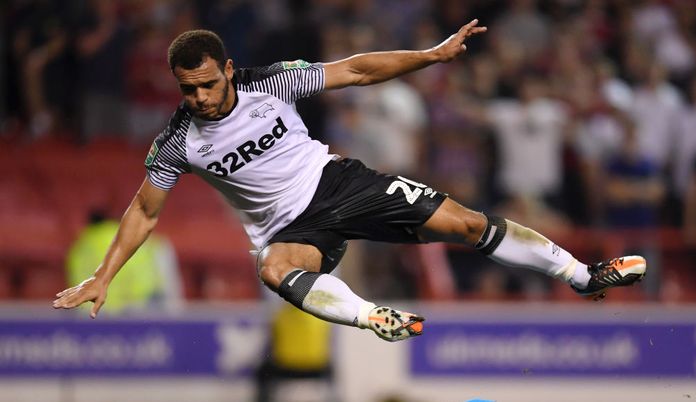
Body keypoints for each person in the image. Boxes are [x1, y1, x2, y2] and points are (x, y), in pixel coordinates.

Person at [54, 19, 647, 342]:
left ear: (228, 69)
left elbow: (358, 70)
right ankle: (374, 318)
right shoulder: (178, 141)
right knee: (272, 268)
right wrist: (103, 275)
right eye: (189, 89)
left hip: (340, 184)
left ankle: (581, 274)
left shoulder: (270, 82)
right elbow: (144, 212)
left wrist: (432, 56)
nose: (202, 98)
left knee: (465, 222)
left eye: (209, 84)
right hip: (288, 229)